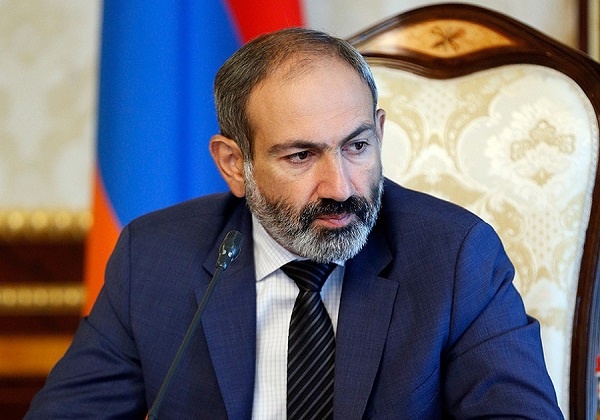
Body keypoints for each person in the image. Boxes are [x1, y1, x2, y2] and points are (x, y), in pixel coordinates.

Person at [26, 28, 563, 419]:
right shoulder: (154, 257)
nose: (340, 187)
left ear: (378, 132)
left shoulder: (455, 256)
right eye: (301, 156)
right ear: (234, 164)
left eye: (356, 146)